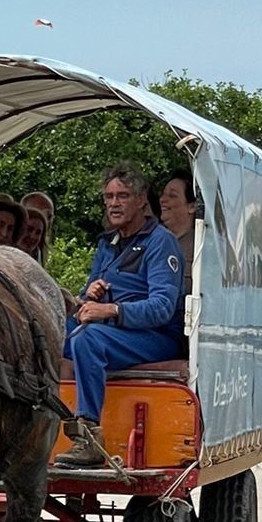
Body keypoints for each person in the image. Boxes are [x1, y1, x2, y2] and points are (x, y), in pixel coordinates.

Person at [54, 165, 186, 468]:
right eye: (109, 197)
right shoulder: (108, 242)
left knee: (88, 339)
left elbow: (162, 307)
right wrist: (90, 296)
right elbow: (90, 295)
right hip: (114, 332)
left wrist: (111, 310)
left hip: (156, 337)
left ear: (141, 200)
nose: (114, 203)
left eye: (123, 196)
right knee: (42, 333)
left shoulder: (160, 242)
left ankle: (87, 436)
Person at [153, 169, 200, 291]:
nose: (163, 199)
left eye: (172, 195)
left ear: (192, 206)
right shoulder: (151, 241)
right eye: (163, 194)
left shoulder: (203, 247)